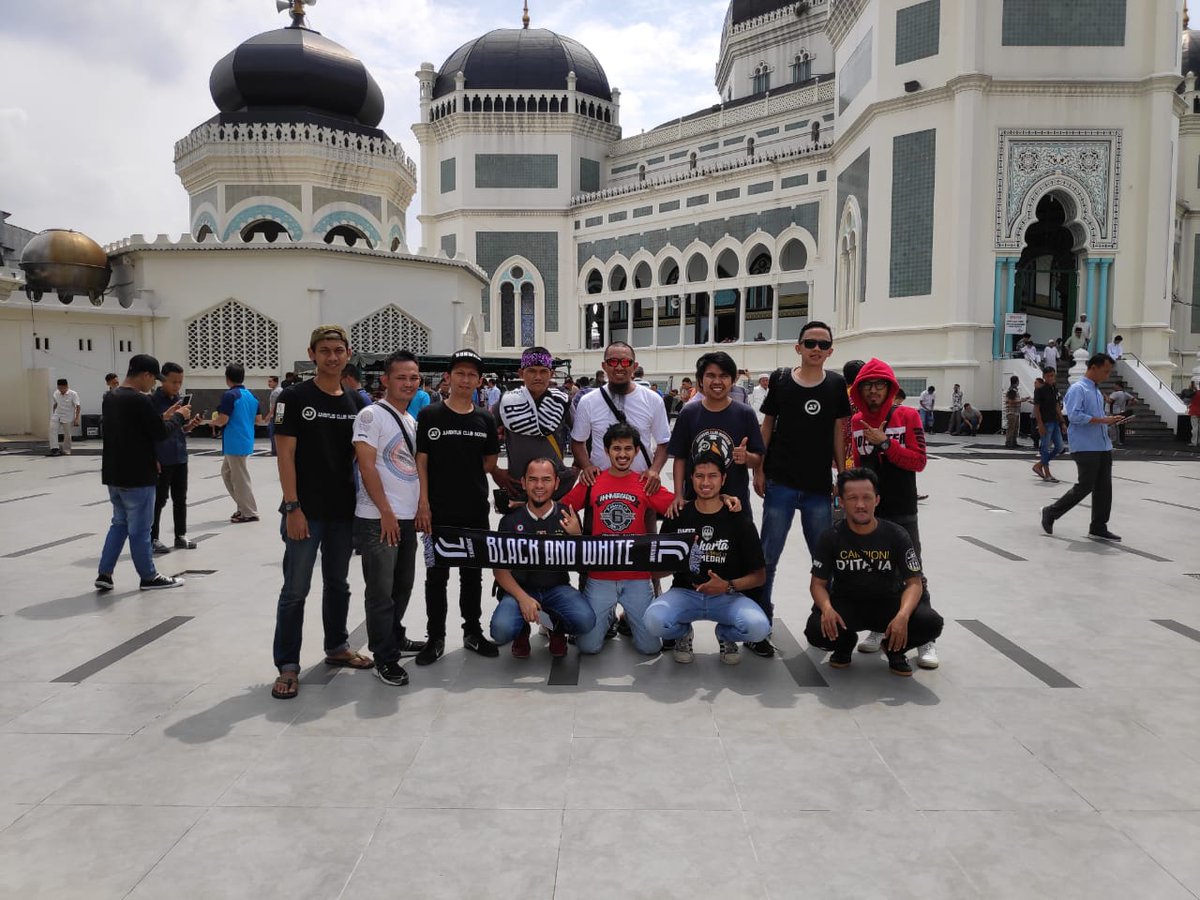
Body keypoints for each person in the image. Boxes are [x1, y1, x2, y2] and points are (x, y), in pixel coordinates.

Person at [270, 325, 373, 701]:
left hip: (342, 512)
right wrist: (292, 506)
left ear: (348, 354)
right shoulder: (293, 398)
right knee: (295, 590)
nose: (332, 357)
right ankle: (288, 666)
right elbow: (285, 455)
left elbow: (363, 460)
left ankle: (337, 646)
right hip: (305, 511)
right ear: (312, 354)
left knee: (339, 584)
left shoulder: (357, 403)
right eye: (325, 350)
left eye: (338, 350)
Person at [754, 321, 850, 656]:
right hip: (780, 482)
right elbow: (767, 426)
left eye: (823, 345)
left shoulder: (837, 385)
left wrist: (843, 475)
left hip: (818, 488)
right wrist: (759, 468)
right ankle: (760, 623)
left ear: (830, 351)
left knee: (823, 558)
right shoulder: (781, 381)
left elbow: (839, 431)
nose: (816, 349)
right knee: (768, 556)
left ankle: (824, 620)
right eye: (810, 343)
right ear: (798, 347)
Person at [805, 468, 944, 676]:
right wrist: (826, 608)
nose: (860, 505)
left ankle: (894, 648)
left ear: (877, 500)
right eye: (852, 498)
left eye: (866, 498)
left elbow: (914, 583)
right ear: (841, 502)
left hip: (888, 604)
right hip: (848, 604)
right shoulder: (831, 537)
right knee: (816, 630)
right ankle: (845, 644)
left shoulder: (896, 534)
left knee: (931, 623)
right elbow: (817, 584)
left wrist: (903, 616)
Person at [845, 360, 938, 670]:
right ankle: (879, 627)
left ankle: (924, 638)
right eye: (867, 385)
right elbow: (858, 466)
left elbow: (919, 461)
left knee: (913, 572)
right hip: (870, 513)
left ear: (890, 388)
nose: (873, 390)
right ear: (859, 391)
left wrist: (884, 442)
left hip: (903, 509)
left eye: (879, 385)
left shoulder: (907, 416)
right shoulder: (856, 422)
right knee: (876, 570)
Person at [414, 348, 503, 665]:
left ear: (480, 381)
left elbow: (490, 460)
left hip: (474, 509)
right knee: (436, 576)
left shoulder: (485, 418)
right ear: (448, 378)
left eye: (472, 375)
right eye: (460, 373)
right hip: (437, 511)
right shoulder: (430, 415)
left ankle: (472, 632)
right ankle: (435, 637)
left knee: (472, 575)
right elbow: (421, 461)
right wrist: (423, 503)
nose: (466, 380)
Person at [646, 450, 770, 665]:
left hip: (728, 597)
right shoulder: (678, 514)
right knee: (653, 621)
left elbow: (759, 576)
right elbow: (656, 569)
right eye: (699, 476)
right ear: (691, 478)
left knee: (759, 628)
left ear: (723, 479)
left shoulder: (739, 519)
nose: (705, 482)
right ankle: (682, 633)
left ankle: (726, 635)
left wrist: (728, 585)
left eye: (712, 476)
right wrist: (675, 563)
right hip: (686, 593)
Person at [562, 422, 675, 656]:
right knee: (588, 646)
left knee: (651, 647)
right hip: (600, 576)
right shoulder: (592, 481)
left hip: (636, 576)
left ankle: (627, 619)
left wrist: (720, 499)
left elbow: (680, 507)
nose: (622, 454)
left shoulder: (645, 483)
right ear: (606, 451)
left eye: (627, 449)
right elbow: (560, 509)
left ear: (636, 451)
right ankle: (607, 617)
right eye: (616, 448)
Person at [351, 350, 428, 687]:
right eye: (401, 377)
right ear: (385, 380)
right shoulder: (371, 416)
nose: (408, 383)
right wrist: (384, 512)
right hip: (378, 519)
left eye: (413, 378)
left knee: (403, 585)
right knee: (381, 592)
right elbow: (366, 466)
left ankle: (395, 637)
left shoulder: (410, 420)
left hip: (406, 519)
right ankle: (385, 657)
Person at [95, 354, 191, 592]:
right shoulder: (141, 400)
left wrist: (163, 417)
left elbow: (136, 430)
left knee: (119, 524)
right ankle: (148, 576)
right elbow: (159, 433)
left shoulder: (111, 397)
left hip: (114, 473)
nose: (154, 385)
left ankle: (104, 573)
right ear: (146, 375)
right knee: (140, 529)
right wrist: (178, 417)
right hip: (138, 475)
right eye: (153, 379)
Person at [489, 458, 596, 658]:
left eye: (546, 479)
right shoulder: (510, 521)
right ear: (523, 482)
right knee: (501, 630)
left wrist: (577, 537)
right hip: (520, 589)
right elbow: (499, 570)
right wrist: (523, 599)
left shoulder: (567, 516)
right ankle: (522, 630)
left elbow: (584, 566)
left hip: (556, 588)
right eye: (533, 479)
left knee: (585, 620)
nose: (539, 486)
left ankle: (555, 627)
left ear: (556, 483)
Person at [668, 351, 765, 518]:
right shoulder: (689, 413)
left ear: (733, 380)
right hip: (695, 501)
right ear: (700, 380)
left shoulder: (745, 413)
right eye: (710, 375)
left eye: (724, 376)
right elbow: (680, 458)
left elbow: (757, 458)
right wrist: (678, 495)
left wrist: (746, 457)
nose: (717, 381)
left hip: (736, 503)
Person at [1041, 353, 1124, 541]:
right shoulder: (1078, 389)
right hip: (1086, 446)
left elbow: (1094, 417)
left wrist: (1109, 421)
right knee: (1085, 486)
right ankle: (1051, 512)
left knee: (1104, 488)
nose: (1107, 376)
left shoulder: (1095, 390)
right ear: (1093, 368)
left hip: (1102, 445)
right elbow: (1075, 416)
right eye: (1105, 371)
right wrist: (1104, 419)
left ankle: (1098, 525)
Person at [571, 341, 671, 493]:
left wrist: (654, 470)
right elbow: (578, 441)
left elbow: (664, 443)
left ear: (634, 367)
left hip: (642, 486)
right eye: (612, 362)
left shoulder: (653, 400)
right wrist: (587, 467)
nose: (619, 367)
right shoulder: (588, 401)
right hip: (600, 486)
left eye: (625, 362)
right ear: (604, 366)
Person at [494, 346, 575, 505]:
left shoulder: (562, 402)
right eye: (531, 371)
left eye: (543, 371)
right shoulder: (506, 403)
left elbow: (581, 435)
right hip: (518, 487)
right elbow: (485, 439)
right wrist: (495, 471)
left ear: (551, 374)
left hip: (557, 488)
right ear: (521, 373)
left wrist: (578, 467)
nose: (538, 377)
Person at [151, 362, 199, 554]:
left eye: (180, 382)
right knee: (159, 500)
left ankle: (180, 535)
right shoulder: (153, 401)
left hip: (180, 456)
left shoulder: (179, 399)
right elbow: (151, 431)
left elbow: (177, 429)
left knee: (180, 498)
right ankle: (153, 538)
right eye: (173, 382)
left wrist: (190, 425)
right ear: (162, 379)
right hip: (162, 457)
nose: (177, 386)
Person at [213, 363, 259, 524]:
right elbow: (258, 420)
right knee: (227, 473)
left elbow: (223, 419)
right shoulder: (250, 396)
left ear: (227, 378)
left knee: (240, 479)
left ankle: (249, 512)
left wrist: (212, 422)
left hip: (235, 441)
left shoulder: (230, 395)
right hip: (245, 439)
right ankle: (243, 506)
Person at [48, 378, 80, 456]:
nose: (61, 390)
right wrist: (53, 413)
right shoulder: (56, 393)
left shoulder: (73, 394)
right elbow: (55, 404)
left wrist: (76, 418)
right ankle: (54, 449)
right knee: (52, 429)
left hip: (68, 416)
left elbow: (78, 406)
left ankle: (66, 450)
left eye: (62, 388)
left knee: (67, 434)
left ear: (66, 386)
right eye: (59, 388)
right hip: (57, 414)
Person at [266, 375, 283, 456]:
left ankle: (274, 451)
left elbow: (274, 406)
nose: (268, 383)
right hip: (280, 414)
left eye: (270, 381)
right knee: (277, 432)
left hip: (276, 415)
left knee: (272, 432)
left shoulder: (275, 392)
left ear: (275, 382)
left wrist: (269, 416)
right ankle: (277, 450)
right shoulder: (280, 390)